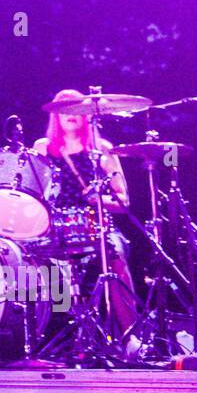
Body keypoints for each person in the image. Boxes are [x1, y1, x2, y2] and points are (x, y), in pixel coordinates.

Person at [33, 88, 140, 339]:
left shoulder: (102, 149)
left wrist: (98, 199)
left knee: (115, 254)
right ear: (55, 116)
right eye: (64, 109)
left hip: (97, 224)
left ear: (86, 115)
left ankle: (130, 336)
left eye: (76, 109)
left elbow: (123, 200)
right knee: (29, 258)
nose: (70, 114)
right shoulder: (43, 147)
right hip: (55, 227)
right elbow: (34, 194)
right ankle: (46, 336)